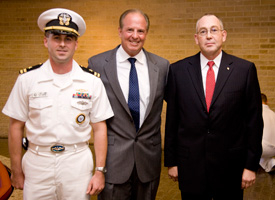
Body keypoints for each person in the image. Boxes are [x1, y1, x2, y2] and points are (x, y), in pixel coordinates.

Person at [2, 8, 114, 200]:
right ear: (46, 41)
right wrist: (16, 169)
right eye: (56, 38)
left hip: (77, 163)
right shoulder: (27, 80)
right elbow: (15, 126)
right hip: (37, 163)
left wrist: (99, 171)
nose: (62, 44)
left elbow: (99, 128)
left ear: (76, 44)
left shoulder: (92, 82)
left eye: (68, 39)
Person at [164, 13, 263, 200]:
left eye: (213, 30)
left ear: (223, 35)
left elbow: (254, 122)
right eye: (203, 31)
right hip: (190, 167)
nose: (208, 36)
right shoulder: (178, 71)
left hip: (231, 168)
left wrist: (250, 166)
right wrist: (172, 161)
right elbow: (173, 119)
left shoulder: (244, 70)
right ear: (196, 38)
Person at [88, 9, 169, 200]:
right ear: (119, 31)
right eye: (129, 30)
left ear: (146, 33)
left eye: (140, 31)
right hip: (113, 161)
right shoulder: (98, 64)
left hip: (148, 161)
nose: (135, 36)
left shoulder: (162, 66)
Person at [260, 93, 275, 172]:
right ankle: (271, 162)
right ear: (267, 101)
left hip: (262, 149)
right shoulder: (273, 114)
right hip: (274, 150)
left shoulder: (256, 113)